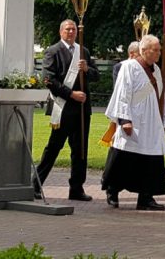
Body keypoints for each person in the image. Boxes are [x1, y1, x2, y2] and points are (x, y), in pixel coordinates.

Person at [101, 35, 165, 210]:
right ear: (144, 50)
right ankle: (113, 190)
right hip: (134, 120)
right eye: (155, 50)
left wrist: (164, 119)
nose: (158, 53)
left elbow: (161, 96)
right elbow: (123, 93)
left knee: (151, 160)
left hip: (152, 123)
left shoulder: (157, 71)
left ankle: (146, 197)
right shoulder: (129, 67)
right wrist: (125, 120)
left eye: (159, 50)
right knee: (124, 157)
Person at [35, 19, 99, 201]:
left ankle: (77, 188)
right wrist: (71, 94)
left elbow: (96, 76)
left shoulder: (83, 51)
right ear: (61, 31)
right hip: (63, 109)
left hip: (82, 110)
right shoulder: (53, 51)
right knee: (53, 148)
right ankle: (35, 184)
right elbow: (48, 79)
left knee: (80, 151)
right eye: (68, 29)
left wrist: (87, 69)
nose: (71, 32)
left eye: (73, 30)